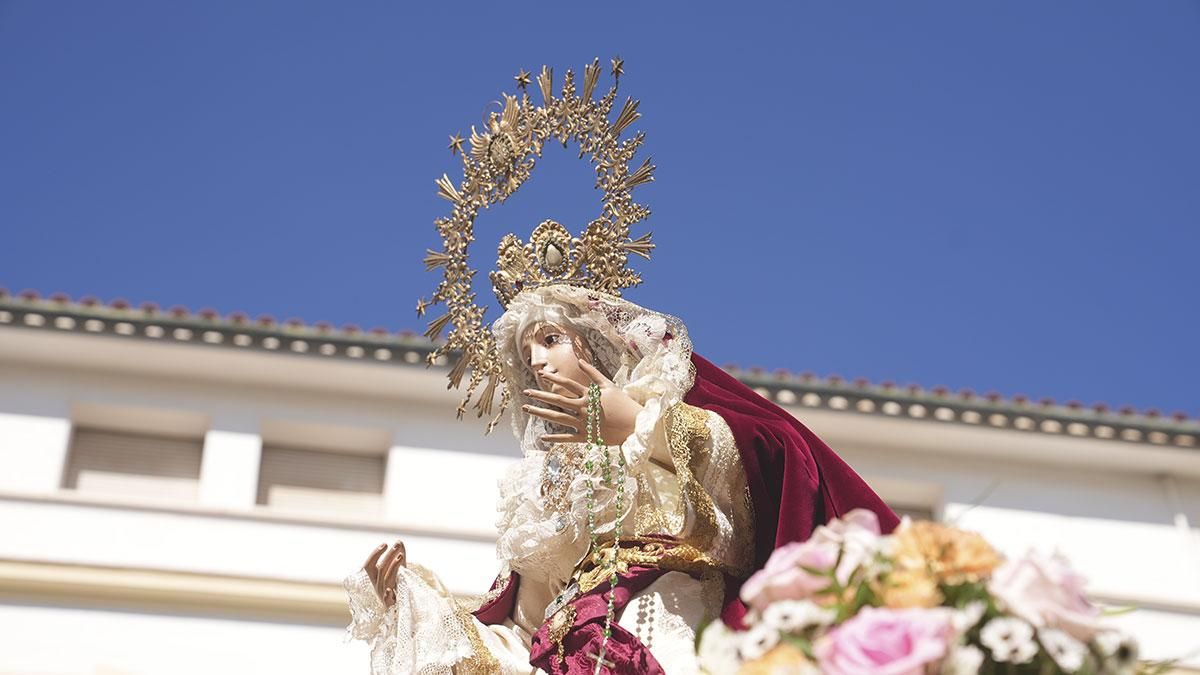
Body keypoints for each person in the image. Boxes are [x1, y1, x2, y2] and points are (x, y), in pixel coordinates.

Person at [344, 284, 900, 674]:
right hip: (575, 654)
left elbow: (775, 466)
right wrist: (412, 608)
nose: (536, 361)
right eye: (525, 353)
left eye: (549, 339)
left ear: (595, 340)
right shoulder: (541, 492)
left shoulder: (666, 407)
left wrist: (637, 426)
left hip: (670, 627)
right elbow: (523, 628)